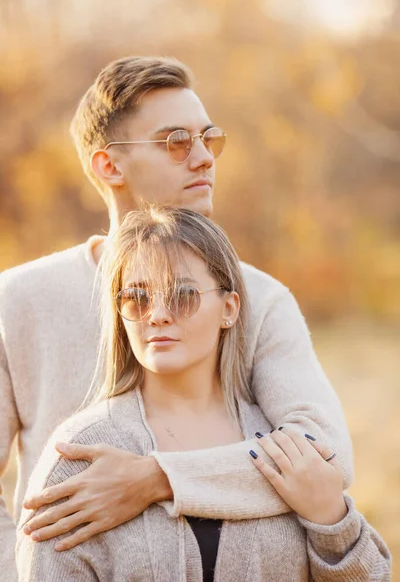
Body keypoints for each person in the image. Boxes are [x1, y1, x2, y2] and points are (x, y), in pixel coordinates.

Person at [1, 56, 353, 581]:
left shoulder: (258, 298)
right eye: (175, 141)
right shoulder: (17, 299)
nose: (204, 157)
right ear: (108, 166)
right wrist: (32, 569)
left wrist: (157, 479)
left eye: (209, 138)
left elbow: (324, 459)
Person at [16, 206, 391, 581]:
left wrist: (332, 523)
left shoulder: (286, 452)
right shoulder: (80, 456)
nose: (158, 315)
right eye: (138, 298)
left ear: (229, 308)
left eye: (182, 295)